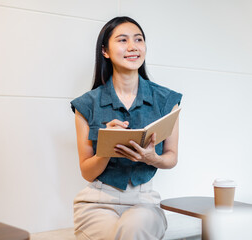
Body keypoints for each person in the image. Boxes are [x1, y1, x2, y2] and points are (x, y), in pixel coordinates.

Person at [70, 16, 182, 240]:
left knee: (134, 230)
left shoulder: (166, 100)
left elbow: (171, 157)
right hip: (98, 202)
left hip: (144, 202)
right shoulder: (86, 104)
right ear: (105, 51)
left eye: (138, 40)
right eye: (122, 40)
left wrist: (151, 158)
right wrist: (105, 148)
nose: (133, 47)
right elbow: (87, 172)